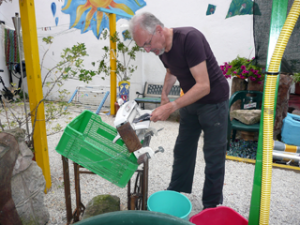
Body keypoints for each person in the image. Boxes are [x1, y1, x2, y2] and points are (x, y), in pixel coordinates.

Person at [128, 12, 229, 209]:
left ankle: (211, 205)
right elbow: (171, 69)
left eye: (147, 44)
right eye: (143, 47)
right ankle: (176, 191)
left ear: (158, 30)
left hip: (214, 102)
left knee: (213, 154)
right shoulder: (161, 49)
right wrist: (164, 95)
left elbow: (204, 86)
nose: (147, 50)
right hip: (191, 102)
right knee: (183, 149)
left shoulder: (190, 39)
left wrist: (172, 106)